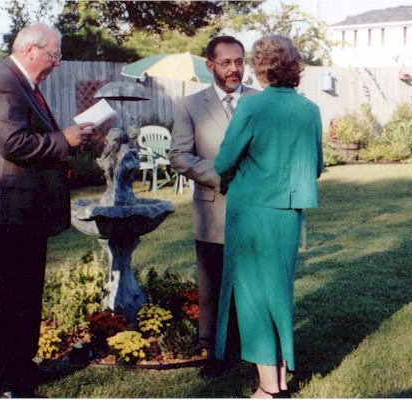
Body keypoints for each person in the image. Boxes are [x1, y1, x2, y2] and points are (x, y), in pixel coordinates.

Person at [0, 23, 93, 398]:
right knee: (5, 301)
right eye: (54, 55)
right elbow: (12, 143)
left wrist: (66, 141)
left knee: (25, 299)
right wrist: (64, 139)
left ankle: (22, 373)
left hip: (26, 214)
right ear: (30, 50)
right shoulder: (1, 83)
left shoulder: (23, 84)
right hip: (5, 215)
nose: (57, 63)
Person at [214, 34, 323, 398]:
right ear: (295, 67)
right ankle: (279, 377)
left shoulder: (251, 106)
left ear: (261, 69)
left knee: (253, 299)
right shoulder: (310, 110)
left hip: (251, 214)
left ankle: (269, 388)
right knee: (279, 292)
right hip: (288, 215)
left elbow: (223, 161)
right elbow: (317, 166)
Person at [169, 36, 258, 375]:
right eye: (226, 62)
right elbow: (179, 156)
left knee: (251, 282)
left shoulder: (259, 101)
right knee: (213, 285)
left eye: (239, 61)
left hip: (255, 208)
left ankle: (253, 348)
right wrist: (221, 176)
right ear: (210, 66)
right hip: (213, 208)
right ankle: (215, 353)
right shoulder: (190, 105)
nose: (234, 68)